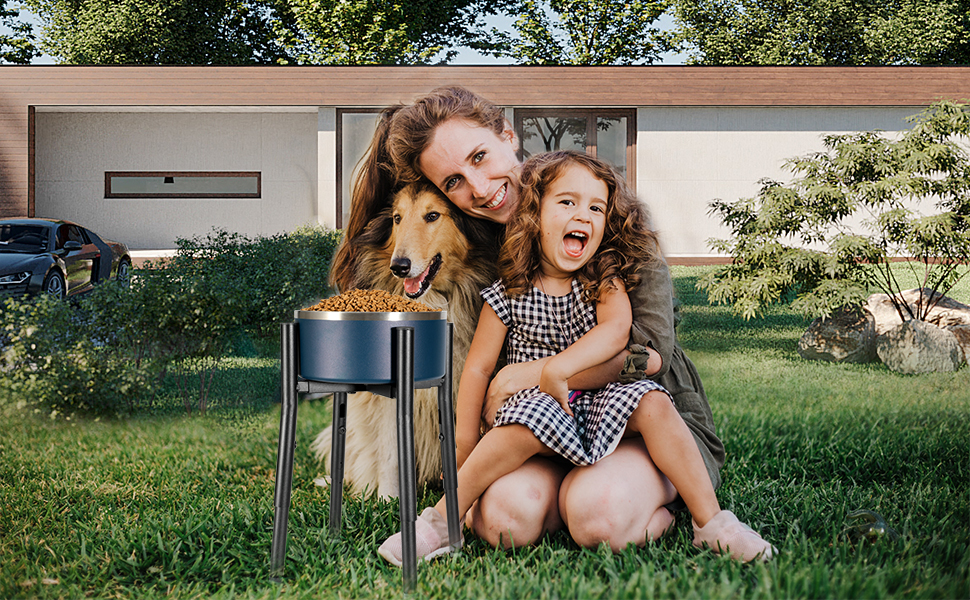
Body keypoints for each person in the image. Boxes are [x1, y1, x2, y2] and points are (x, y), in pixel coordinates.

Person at [330, 85, 768, 558]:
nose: (477, 188)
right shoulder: (481, 248)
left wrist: (533, 373)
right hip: (538, 425)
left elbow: (646, 357)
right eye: (453, 181)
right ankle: (481, 513)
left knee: (600, 518)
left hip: (634, 422)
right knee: (503, 524)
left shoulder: (606, 224)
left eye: (479, 157)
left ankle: (670, 510)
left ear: (508, 135)